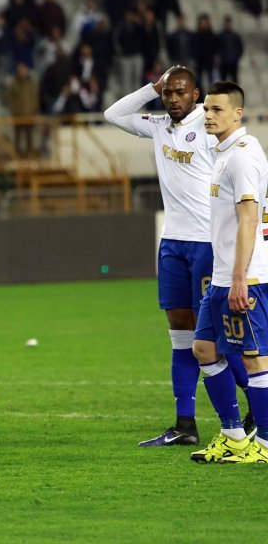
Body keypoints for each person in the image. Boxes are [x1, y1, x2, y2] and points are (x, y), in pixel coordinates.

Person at [104, 66, 253, 447]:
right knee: (180, 335)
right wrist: (149, 88)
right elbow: (113, 115)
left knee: (219, 336)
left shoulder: (207, 128)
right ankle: (185, 425)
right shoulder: (157, 126)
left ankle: (255, 412)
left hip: (206, 245)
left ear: (196, 95)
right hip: (172, 243)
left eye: (180, 92)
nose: (172, 98)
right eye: (168, 92)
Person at [189, 81, 268, 464]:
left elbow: (249, 218)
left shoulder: (241, 156)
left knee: (255, 360)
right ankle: (235, 436)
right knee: (203, 348)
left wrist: (239, 278)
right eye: (206, 109)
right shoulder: (222, 153)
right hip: (223, 276)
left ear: (238, 113)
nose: (208, 116)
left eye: (217, 110)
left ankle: (265, 445)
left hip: (246, 276)